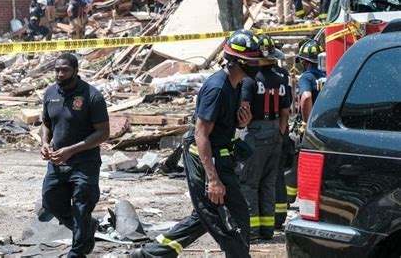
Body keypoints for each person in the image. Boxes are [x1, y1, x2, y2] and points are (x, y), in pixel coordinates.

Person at [131, 30, 264, 258]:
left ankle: (151, 254)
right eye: (254, 60)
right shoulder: (217, 88)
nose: (259, 64)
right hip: (204, 159)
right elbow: (202, 135)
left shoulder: (237, 85)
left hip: (220, 156)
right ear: (240, 62)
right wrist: (212, 179)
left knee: (207, 215)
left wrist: (242, 122)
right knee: (224, 219)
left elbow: (222, 125)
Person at [41, 52, 110, 258]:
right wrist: (44, 143)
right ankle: (88, 227)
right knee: (50, 201)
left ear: (75, 71)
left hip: (84, 162)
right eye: (57, 70)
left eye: (65, 70)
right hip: (57, 162)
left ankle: (78, 251)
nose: (60, 74)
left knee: (81, 205)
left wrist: (71, 150)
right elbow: (46, 123)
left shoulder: (92, 96)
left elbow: (103, 133)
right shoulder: (50, 93)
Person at [239, 34, 291, 240]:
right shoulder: (281, 78)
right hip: (276, 131)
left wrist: (243, 127)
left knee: (249, 182)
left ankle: (251, 231)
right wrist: (279, 130)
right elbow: (286, 110)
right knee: (268, 183)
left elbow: (244, 108)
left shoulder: (250, 79)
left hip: (257, 131)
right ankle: (267, 229)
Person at [285, 39, 325, 204]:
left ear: (304, 61)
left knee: (297, 164)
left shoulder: (307, 77)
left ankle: (287, 200)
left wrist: (308, 122)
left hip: (310, 128)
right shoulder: (328, 74)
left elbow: (306, 97)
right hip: (325, 126)